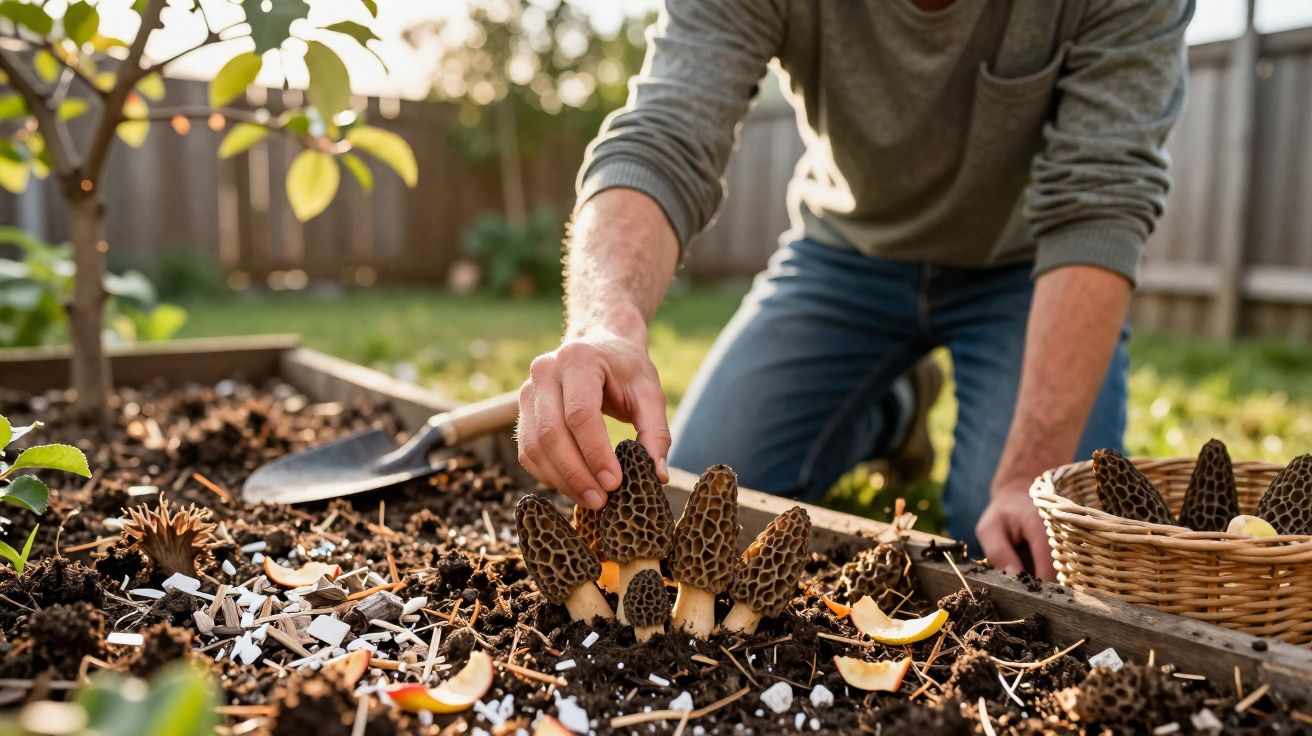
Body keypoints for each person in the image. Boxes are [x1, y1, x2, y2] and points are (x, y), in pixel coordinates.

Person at [515, 0, 1192, 580]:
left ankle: (933, 420)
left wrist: (1028, 473)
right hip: (844, 258)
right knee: (702, 493)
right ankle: (894, 410)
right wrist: (605, 322)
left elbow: (1100, 204)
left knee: (1018, 539)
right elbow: (666, 132)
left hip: (1027, 272)